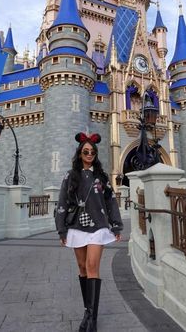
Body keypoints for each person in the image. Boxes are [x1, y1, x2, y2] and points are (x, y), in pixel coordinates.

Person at [55, 132, 123, 332]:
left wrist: (116, 224)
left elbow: (111, 201)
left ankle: (92, 321)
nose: (89, 154)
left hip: (98, 226)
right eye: (86, 151)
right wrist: (62, 230)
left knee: (92, 266)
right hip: (76, 226)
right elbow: (62, 203)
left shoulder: (101, 176)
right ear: (79, 153)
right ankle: (88, 312)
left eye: (92, 152)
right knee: (82, 267)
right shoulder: (71, 176)